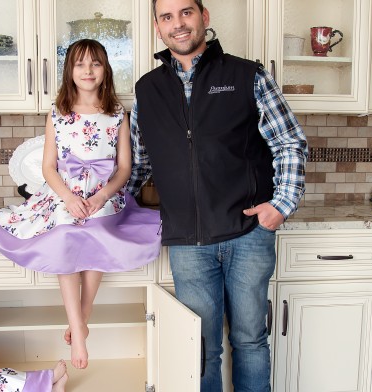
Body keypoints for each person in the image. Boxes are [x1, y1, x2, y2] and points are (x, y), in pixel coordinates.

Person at [127, 0, 308, 391]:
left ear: (204, 18)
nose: (178, 24)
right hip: (188, 243)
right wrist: (108, 206)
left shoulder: (248, 76)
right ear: (158, 27)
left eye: (186, 13)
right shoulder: (147, 90)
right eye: (167, 17)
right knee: (201, 348)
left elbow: (290, 142)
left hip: (248, 234)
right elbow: (139, 164)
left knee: (250, 341)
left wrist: (281, 205)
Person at [0, 39, 161, 370]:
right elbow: (49, 167)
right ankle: (78, 328)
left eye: (95, 64)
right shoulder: (58, 114)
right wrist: (67, 197)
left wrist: (102, 196)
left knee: (98, 225)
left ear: (105, 70)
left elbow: (124, 168)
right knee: (66, 229)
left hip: (105, 194)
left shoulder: (118, 114)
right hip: (64, 194)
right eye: (80, 64)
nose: (88, 71)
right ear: (70, 71)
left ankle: (84, 313)